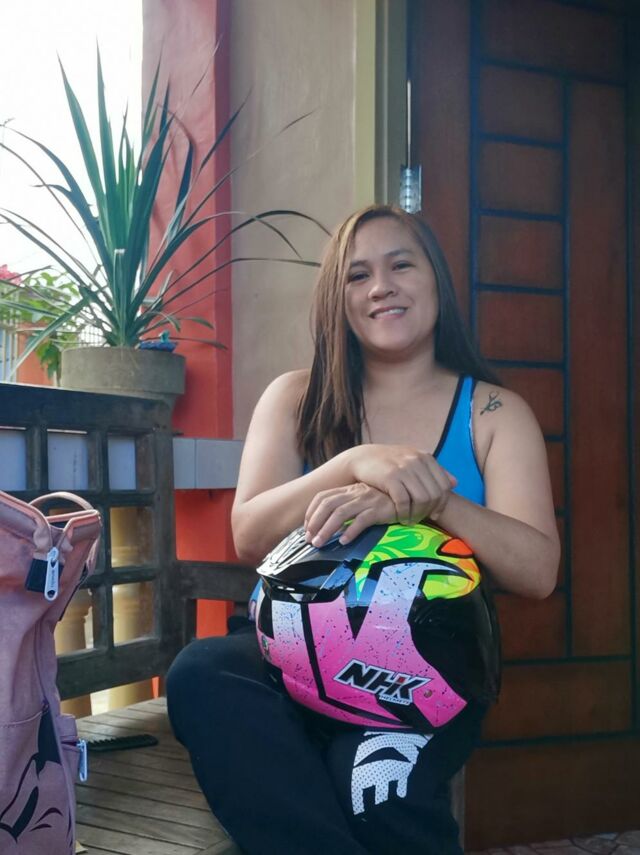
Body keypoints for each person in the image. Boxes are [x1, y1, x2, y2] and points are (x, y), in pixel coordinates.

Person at [167, 204, 560, 854]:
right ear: (338, 299)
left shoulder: (493, 413)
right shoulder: (294, 398)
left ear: (435, 280)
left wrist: (426, 499)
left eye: (401, 265)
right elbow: (250, 534)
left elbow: (538, 570)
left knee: (373, 783)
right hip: (287, 645)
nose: (381, 286)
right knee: (201, 673)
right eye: (358, 275)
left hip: (421, 664)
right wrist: (354, 463)